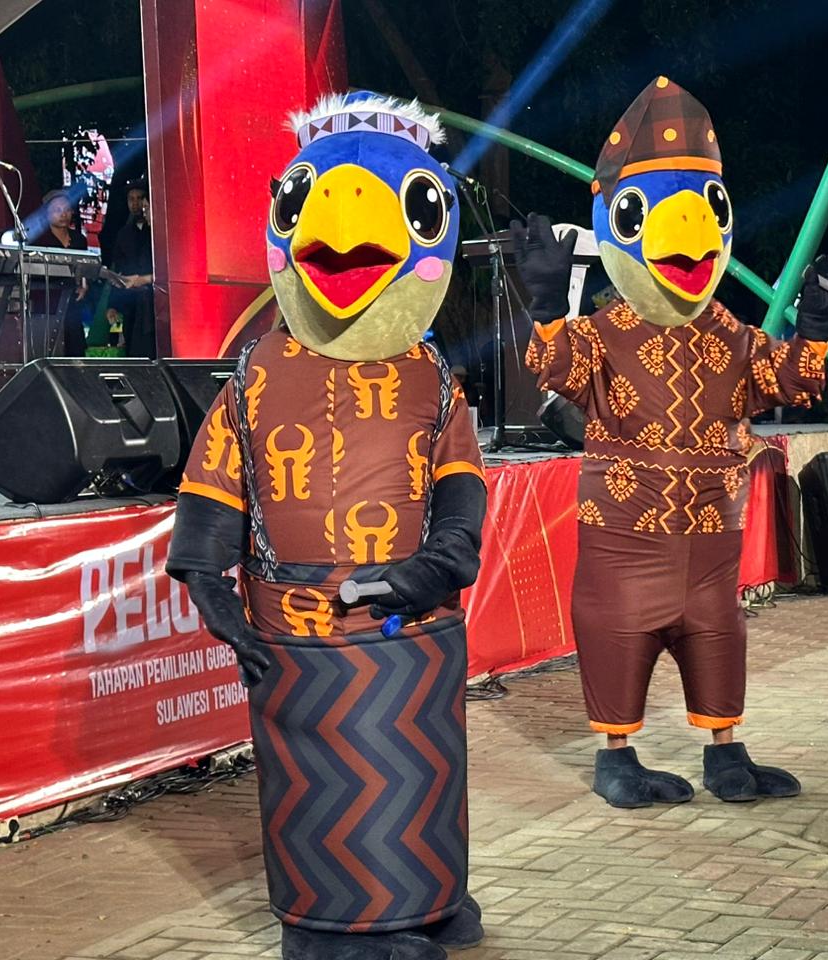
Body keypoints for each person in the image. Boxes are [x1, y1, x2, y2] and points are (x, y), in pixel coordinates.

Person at [165, 94, 486, 960]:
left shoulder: (432, 376)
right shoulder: (257, 372)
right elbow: (215, 489)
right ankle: (322, 928)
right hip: (296, 631)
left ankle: (426, 898)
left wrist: (446, 557)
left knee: (418, 771)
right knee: (321, 784)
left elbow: (459, 487)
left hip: (411, 622)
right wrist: (210, 587)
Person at [517, 78, 828, 808]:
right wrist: (547, 310)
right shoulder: (604, 332)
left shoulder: (728, 330)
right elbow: (556, 367)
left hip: (711, 533)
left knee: (718, 633)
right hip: (625, 533)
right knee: (616, 632)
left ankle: (726, 751)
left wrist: (814, 332)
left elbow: (786, 377)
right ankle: (616, 756)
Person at [29, 189, 88, 357]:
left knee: (75, 349)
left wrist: (84, 284)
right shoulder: (39, 241)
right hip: (46, 303)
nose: (63, 214)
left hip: (72, 302)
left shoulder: (79, 239)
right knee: (49, 350)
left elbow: (84, 267)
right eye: (57, 210)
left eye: (67, 209)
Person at [108, 181, 156, 357]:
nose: (136, 204)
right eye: (131, 199)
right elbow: (118, 271)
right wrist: (112, 305)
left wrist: (145, 279)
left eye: (140, 199)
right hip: (131, 303)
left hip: (155, 302)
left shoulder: (157, 232)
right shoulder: (123, 234)